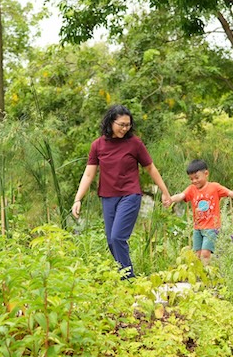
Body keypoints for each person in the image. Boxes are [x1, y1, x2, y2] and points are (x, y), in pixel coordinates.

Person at [71, 104, 171, 279]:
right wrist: (78, 199)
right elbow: (88, 174)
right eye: (121, 124)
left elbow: (150, 168)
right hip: (108, 197)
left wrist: (165, 191)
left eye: (128, 125)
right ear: (111, 122)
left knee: (118, 237)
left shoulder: (135, 144)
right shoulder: (98, 145)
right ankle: (125, 276)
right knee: (111, 241)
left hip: (130, 194)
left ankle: (128, 280)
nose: (125, 128)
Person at [166, 159, 233, 265]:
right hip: (197, 228)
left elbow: (231, 194)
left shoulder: (214, 187)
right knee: (197, 255)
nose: (194, 181)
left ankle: (207, 276)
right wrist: (170, 199)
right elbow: (181, 196)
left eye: (197, 177)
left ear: (206, 173)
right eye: (191, 179)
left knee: (205, 254)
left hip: (212, 227)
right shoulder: (191, 189)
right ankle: (200, 276)